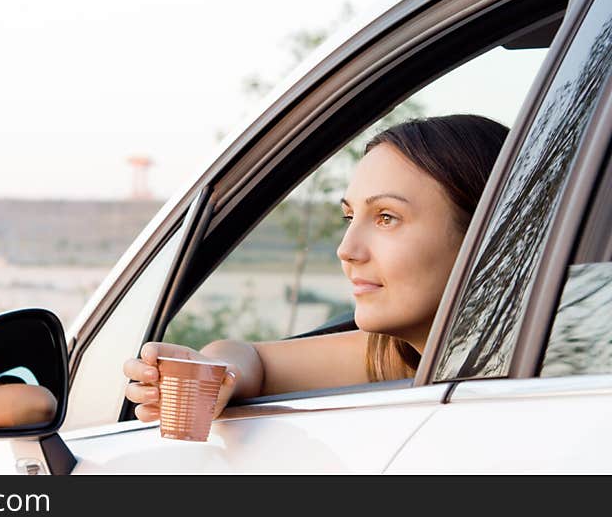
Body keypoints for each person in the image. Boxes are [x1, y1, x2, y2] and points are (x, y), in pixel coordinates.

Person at [123, 114, 509, 422]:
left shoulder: (524, 369)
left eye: (387, 218)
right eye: (349, 217)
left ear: (485, 234)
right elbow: (254, 360)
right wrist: (218, 371)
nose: (347, 250)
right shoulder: (407, 354)